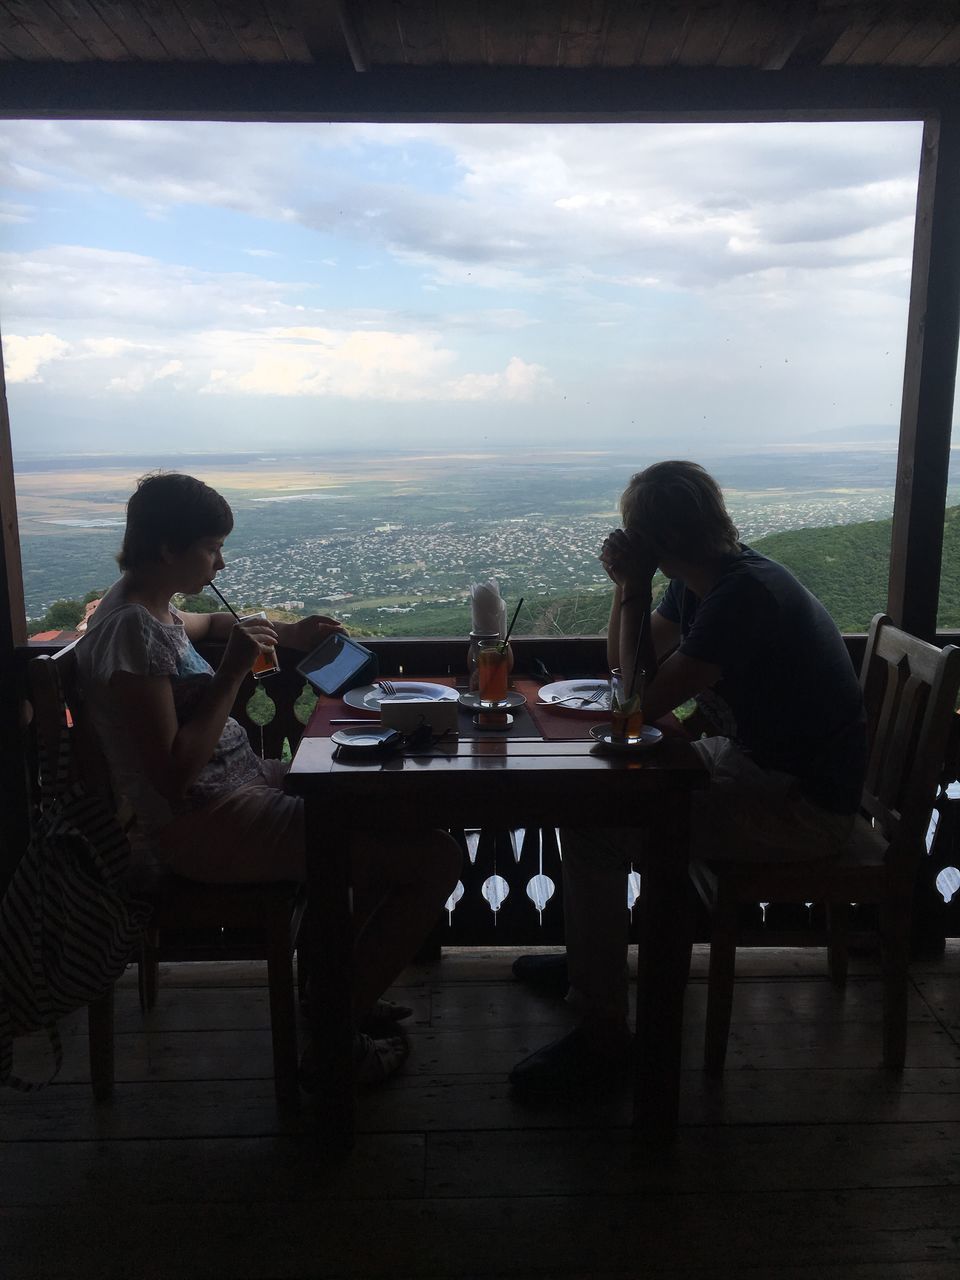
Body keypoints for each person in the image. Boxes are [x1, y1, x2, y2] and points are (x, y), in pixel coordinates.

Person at [77, 472, 460, 1085]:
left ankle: (340, 988)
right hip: (203, 822)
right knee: (437, 860)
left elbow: (205, 627)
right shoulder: (132, 633)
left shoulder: (144, 608)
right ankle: (337, 1033)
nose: (221, 563)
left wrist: (287, 634)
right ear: (169, 549)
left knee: (397, 807)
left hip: (237, 791)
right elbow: (174, 775)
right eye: (211, 547)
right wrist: (232, 676)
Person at [510, 460, 867, 1095]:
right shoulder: (711, 577)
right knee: (604, 799)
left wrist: (633, 585)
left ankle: (603, 1033)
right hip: (761, 770)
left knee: (594, 827)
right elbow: (627, 675)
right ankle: (592, 964)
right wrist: (633, 590)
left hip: (803, 810)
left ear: (651, 539)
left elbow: (636, 706)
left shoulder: (739, 598)